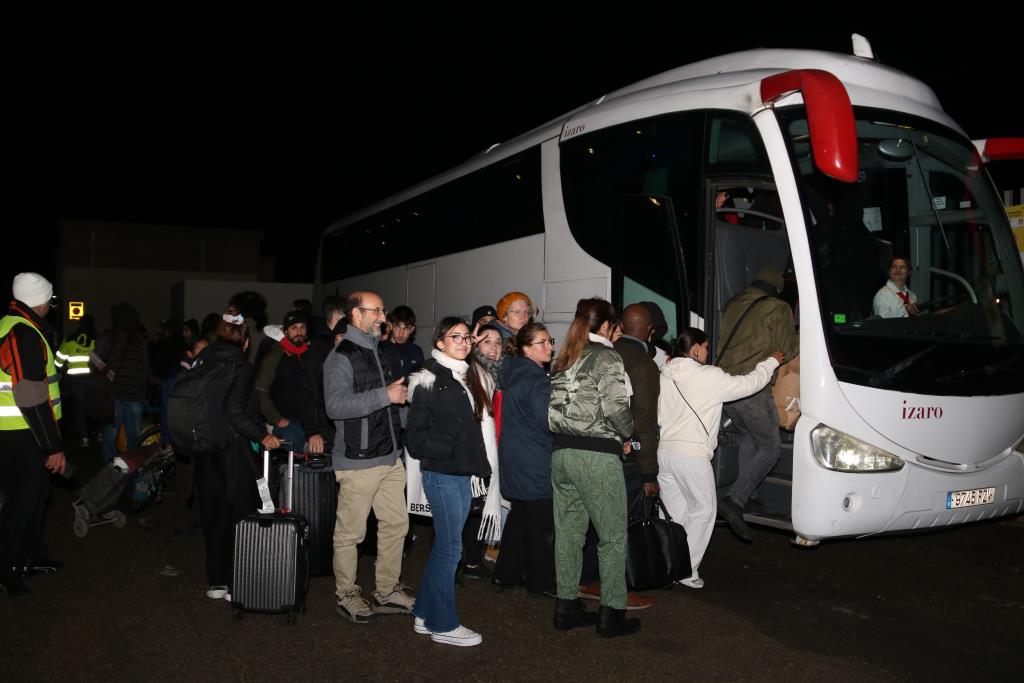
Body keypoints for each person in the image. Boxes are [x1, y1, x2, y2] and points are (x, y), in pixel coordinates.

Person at [658, 328, 782, 588]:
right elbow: (748, 384)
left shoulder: (665, 373)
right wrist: (770, 362)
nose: (707, 352)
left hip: (665, 452)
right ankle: (684, 572)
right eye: (705, 347)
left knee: (675, 515)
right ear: (695, 350)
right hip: (691, 454)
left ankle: (665, 563)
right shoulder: (708, 376)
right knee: (703, 511)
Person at [548, 297, 638, 638]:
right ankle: (611, 615)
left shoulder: (565, 357)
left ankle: (566, 607)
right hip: (597, 456)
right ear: (605, 326)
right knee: (613, 537)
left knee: (569, 536)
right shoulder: (606, 356)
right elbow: (616, 407)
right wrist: (627, 434)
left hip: (562, 454)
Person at [323, 290, 414, 624]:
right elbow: (335, 406)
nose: (382, 317)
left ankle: (386, 589)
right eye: (376, 310)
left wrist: (402, 409)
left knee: (395, 524)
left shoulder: (380, 351)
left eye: (383, 310)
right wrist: (385, 394)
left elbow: (388, 403)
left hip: (389, 455)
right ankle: (346, 594)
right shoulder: (341, 356)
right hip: (358, 459)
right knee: (350, 534)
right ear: (355, 314)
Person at [406, 317, 495, 647]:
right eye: (453, 336)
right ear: (440, 342)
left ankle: (424, 614)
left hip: (459, 473)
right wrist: (454, 447)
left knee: (446, 548)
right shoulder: (430, 378)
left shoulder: (461, 376)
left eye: (466, 337)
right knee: (450, 549)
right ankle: (443, 624)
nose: (462, 341)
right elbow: (415, 439)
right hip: (443, 475)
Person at [192, 308, 281, 601]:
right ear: (244, 342)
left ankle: (217, 581)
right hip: (233, 451)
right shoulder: (241, 367)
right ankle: (237, 581)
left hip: (205, 449)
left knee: (214, 514)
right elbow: (234, 411)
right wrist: (263, 435)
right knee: (239, 514)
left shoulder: (202, 361)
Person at [716, 265, 799, 541]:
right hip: (752, 389)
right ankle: (735, 499)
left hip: (726, 388)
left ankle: (748, 496)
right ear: (777, 288)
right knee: (771, 447)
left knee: (749, 438)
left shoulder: (733, 303)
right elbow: (787, 349)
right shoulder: (778, 308)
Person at [0, 273, 66, 598]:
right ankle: (10, 570)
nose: (51, 306)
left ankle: (32, 556)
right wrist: (52, 446)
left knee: (35, 498)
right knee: (21, 504)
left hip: (14, 434)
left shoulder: (6, 324)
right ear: (40, 300)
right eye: (50, 300)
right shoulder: (24, 332)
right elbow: (29, 396)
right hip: (23, 435)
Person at [492, 322, 557, 596]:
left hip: (514, 457)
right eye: (541, 343)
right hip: (535, 460)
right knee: (541, 526)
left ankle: (506, 574)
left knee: (520, 517)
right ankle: (540, 583)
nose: (549, 347)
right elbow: (549, 422)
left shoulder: (512, 372)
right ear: (526, 349)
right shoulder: (537, 380)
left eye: (549, 341)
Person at [461, 322, 505, 580]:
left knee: (477, 507)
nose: (493, 348)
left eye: (498, 343)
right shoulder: (470, 372)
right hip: (474, 451)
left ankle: (473, 559)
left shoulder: (497, 374)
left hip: (494, 448)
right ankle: (468, 561)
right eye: (487, 341)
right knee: (467, 508)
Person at [255, 309, 328, 454]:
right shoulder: (275, 356)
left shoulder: (312, 354)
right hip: (287, 424)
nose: (299, 332)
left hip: (310, 422)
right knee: (291, 471)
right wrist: (277, 419)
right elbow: (260, 391)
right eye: (294, 328)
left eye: (302, 327)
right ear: (286, 331)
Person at [95, 303, 152, 462]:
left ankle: (112, 471)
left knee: (110, 438)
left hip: (115, 395)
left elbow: (93, 359)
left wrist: (106, 372)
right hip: (132, 395)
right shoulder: (139, 338)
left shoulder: (110, 336)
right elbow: (145, 366)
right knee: (132, 439)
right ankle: (131, 470)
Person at [55, 313, 97, 446]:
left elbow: (58, 361)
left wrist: (59, 374)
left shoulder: (70, 339)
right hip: (94, 379)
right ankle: (98, 433)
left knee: (80, 408)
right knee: (97, 405)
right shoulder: (98, 339)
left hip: (77, 380)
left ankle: (84, 437)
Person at [379, 305, 424, 382]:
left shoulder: (417, 351)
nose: (401, 334)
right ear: (390, 326)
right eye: (397, 327)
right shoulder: (380, 349)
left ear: (412, 329)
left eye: (406, 329)